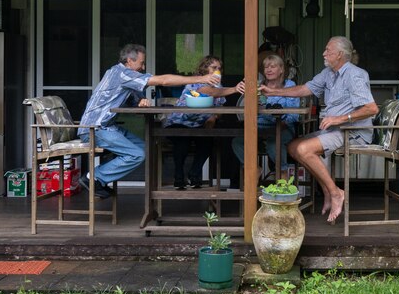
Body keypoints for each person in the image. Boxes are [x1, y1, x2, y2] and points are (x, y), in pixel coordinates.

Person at [260, 36, 378, 223]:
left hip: (351, 132)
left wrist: (339, 118)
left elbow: (371, 108)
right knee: (293, 147)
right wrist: (273, 91)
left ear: (339, 55)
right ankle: (327, 189)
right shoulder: (328, 73)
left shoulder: (354, 75)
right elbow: (304, 89)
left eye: (327, 50)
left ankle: (336, 193)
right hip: (334, 130)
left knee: (304, 149)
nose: (324, 53)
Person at [78, 44, 221, 198]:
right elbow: (164, 81)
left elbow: (128, 98)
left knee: (147, 149)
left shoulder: (121, 75)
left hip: (108, 127)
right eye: (141, 63)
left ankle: (101, 180)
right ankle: (93, 177)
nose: (143, 67)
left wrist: (140, 101)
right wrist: (201, 78)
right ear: (129, 61)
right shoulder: (121, 73)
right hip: (95, 128)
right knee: (136, 154)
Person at [164, 56, 245, 189]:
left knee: (207, 142)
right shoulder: (195, 82)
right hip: (180, 121)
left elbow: (219, 106)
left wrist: (214, 116)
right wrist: (235, 89)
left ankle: (194, 174)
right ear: (204, 68)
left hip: (200, 126)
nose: (217, 71)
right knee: (182, 141)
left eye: (219, 68)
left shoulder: (218, 85)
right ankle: (179, 176)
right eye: (214, 68)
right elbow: (210, 92)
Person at [231, 54, 300, 176]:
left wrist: (280, 125)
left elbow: (294, 114)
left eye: (272, 66)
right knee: (238, 142)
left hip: (283, 127)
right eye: (266, 67)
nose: (268, 70)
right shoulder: (258, 85)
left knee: (274, 144)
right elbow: (245, 109)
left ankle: (282, 172)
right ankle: (253, 170)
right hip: (259, 127)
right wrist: (252, 101)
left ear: (281, 69)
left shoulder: (289, 85)